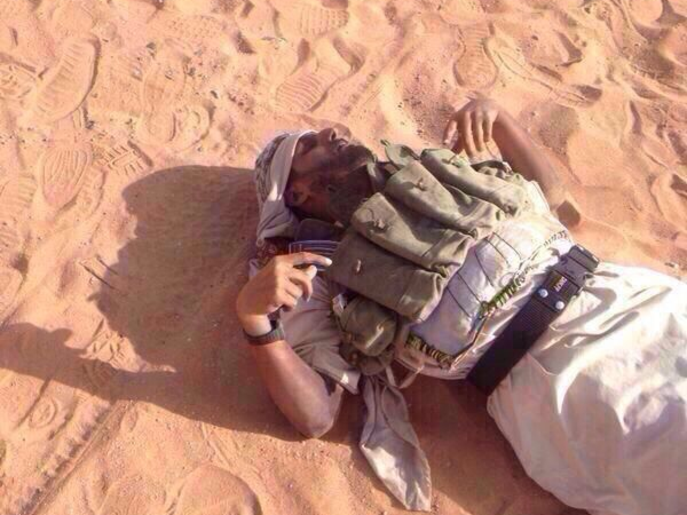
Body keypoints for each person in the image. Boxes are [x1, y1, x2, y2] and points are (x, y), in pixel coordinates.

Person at [235, 98, 687, 515]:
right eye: (307, 146)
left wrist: (501, 121)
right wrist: (256, 320)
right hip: (565, 379)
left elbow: (555, 204)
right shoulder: (318, 270)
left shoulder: (432, 177)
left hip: (636, 300)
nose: (331, 131)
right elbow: (315, 416)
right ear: (295, 193)